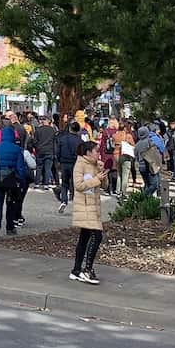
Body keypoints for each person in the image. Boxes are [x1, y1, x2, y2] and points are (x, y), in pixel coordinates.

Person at [69, 141, 105, 285]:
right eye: (96, 151)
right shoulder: (80, 164)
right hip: (84, 206)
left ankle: (76, 270)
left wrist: (102, 174)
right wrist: (96, 179)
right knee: (97, 235)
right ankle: (87, 269)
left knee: (84, 237)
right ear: (88, 152)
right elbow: (78, 185)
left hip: (93, 205)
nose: (98, 153)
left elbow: (102, 185)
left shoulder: (94, 165)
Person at [0, 126, 29, 239]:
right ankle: (10, 227)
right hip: (12, 179)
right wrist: (21, 181)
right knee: (10, 203)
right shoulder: (17, 149)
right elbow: (21, 168)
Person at [56, 121, 81, 212]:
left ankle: (64, 200)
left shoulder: (63, 139)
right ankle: (75, 200)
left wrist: (58, 161)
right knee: (75, 182)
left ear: (70, 129)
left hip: (64, 162)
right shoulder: (79, 140)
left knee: (64, 183)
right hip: (75, 163)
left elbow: (58, 151)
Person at [32, 116, 58, 190]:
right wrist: (55, 152)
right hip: (49, 151)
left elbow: (34, 141)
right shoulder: (52, 130)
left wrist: (37, 148)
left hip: (40, 151)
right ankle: (46, 184)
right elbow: (54, 142)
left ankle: (37, 183)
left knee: (39, 167)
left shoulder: (38, 130)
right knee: (48, 168)